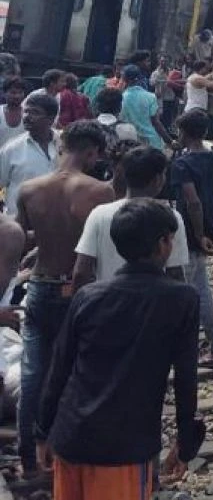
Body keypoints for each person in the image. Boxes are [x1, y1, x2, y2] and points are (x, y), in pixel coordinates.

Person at [35, 199, 205, 499]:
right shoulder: (182, 299)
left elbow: (59, 368)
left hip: (70, 438)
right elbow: (185, 378)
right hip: (123, 448)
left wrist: (43, 431)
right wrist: (185, 443)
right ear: (163, 244)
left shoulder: (88, 296)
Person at [14, 121, 115, 477]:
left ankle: (28, 454)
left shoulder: (29, 189)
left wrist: (39, 246)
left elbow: (21, 237)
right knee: (76, 371)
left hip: (41, 284)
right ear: (91, 152)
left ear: (61, 147)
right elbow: (101, 245)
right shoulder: (100, 191)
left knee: (34, 371)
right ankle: (67, 451)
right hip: (80, 288)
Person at [72, 145, 190, 287]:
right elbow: (175, 273)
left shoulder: (99, 214)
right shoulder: (170, 217)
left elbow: (81, 272)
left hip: (109, 298)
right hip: (155, 299)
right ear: (158, 179)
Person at [171, 110, 213, 368]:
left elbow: (192, 201)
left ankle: (185, 349)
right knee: (202, 290)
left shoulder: (182, 164)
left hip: (190, 233)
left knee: (184, 292)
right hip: (209, 229)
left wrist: (198, 234)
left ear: (183, 132)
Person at [0, 93, 61, 217]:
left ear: (51, 119)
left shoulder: (65, 143)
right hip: (19, 221)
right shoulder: (11, 149)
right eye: (26, 111)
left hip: (56, 220)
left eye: (35, 112)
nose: (27, 117)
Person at [120, 64, 173, 150]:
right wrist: (170, 141)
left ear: (124, 79)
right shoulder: (150, 97)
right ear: (139, 78)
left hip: (131, 144)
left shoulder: (121, 98)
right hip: (152, 143)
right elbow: (156, 122)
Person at [0, 77, 27, 150]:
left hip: (23, 156)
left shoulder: (29, 113)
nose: (17, 96)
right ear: (4, 93)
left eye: (20, 92)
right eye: (13, 92)